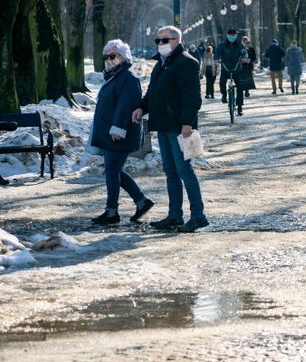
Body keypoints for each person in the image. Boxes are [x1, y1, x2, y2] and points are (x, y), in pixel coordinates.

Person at [131, 26, 207, 232]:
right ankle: (175, 215)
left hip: (179, 127)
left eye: (164, 40)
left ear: (176, 40)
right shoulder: (160, 65)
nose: (160, 45)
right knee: (170, 171)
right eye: (158, 41)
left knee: (184, 170)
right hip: (163, 125)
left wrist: (187, 123)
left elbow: (192, 97)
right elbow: (152, 93)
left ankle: (198, 215)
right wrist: (141, 107)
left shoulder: (187, 62)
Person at [89, 40, 154, 225]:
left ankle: (112, 212)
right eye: (106, 56)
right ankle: (141, 202)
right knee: (113, 170)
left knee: (112, 171)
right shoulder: (114, 76)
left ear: (124, 56)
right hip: (113, 133)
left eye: (113, 56)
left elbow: (125, 106)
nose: (109, 60)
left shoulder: (128, 78)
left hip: (119, 133)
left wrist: (118, 128)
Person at [215, 29, 245, 116]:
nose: (232, 37)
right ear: (227, 35)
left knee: (240, 87)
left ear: (236, 36)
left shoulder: (239, 45)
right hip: (225, 68)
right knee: (222, 82)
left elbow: (244, 53)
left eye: (234, 35)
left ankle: (239, 107)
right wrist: (216, 60)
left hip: (236, 68)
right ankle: (224, 95)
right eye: (230, 35)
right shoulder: (222, 45)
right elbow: (217, 53)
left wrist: (244, 58)